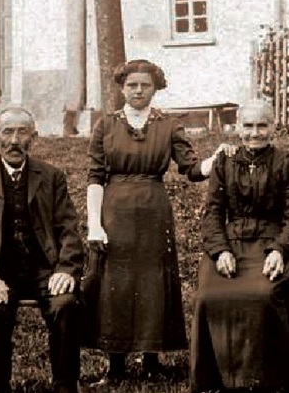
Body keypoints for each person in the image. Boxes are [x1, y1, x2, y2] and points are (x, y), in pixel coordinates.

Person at [84, 59, 231, 383]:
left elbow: (191, 168)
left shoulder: (169, 125)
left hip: (154, 211)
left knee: (153, 282)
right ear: (122, 88)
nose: (138, 91)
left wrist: (214, 161)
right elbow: (95, 177)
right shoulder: (105, 125)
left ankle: (152, 361)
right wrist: (95, 223)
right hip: (115, 211)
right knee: (116, 284)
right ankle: (115, 366)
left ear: (155, 88)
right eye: (132, 85)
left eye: (145, 85)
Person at [190, 98, 289, 393]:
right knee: (207, 296)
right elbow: (213, 213)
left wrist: (279, 250)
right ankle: (215, 377)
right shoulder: (225, 162)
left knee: (262, 294)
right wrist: (220, 250)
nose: (255, 132)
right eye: (248, 125)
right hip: (232, 243)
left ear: (273, 127)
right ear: (237, 127)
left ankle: (265, 377)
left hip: (272, 243)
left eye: (262, 125)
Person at [0, 107, 84, 393]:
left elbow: (69, 230)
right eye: (7, 132)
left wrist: (66, 269)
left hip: (44, 270)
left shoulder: (51, 177)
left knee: (65, 304)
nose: (14, 140)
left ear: (33, 138)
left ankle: (65, 386)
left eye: (22, 132)